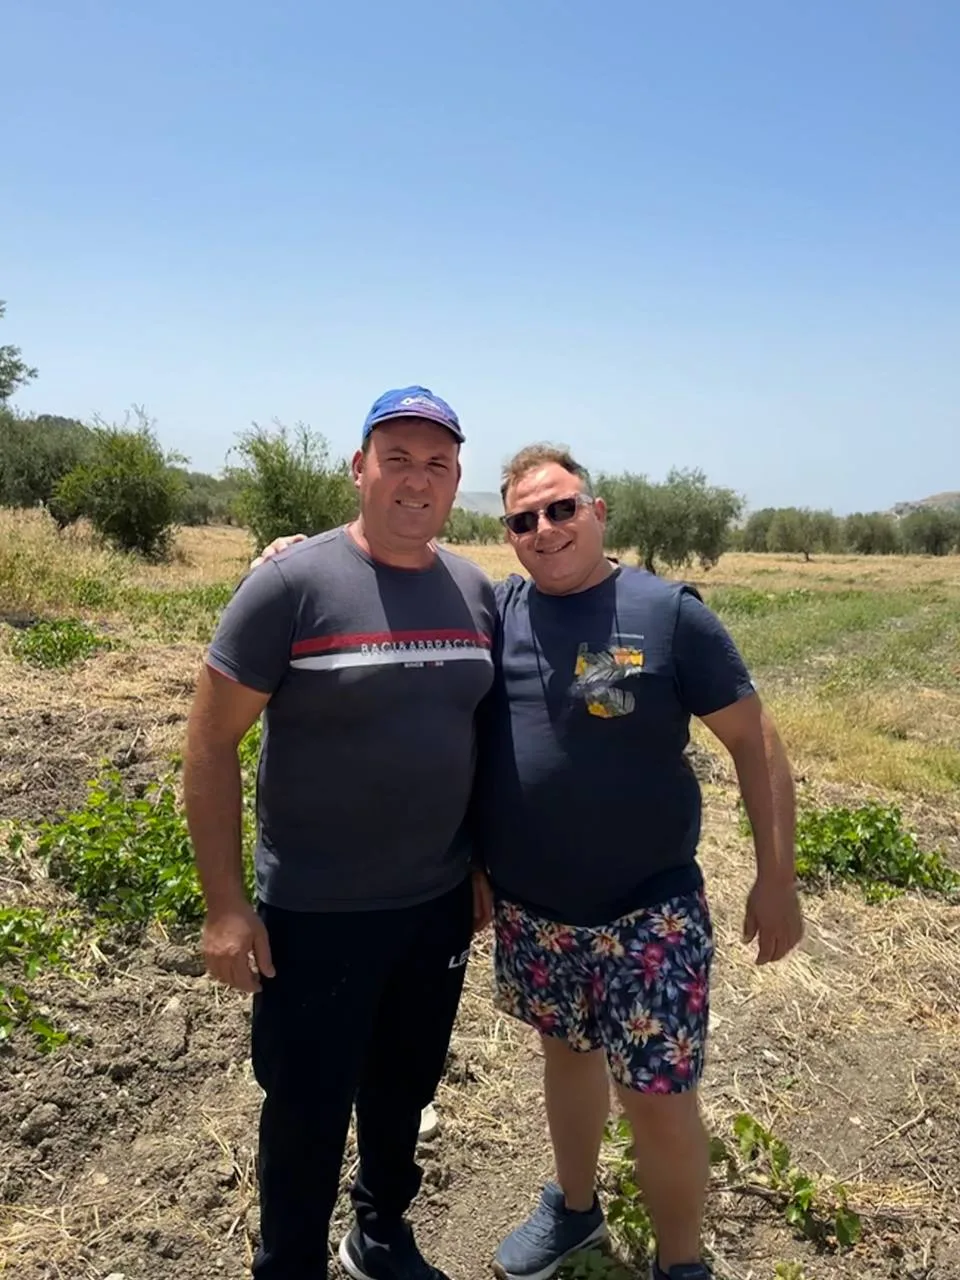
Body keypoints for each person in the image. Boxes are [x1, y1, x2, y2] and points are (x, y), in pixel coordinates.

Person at [256, 444, 804, 1280]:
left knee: (657, 1098)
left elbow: (755, 742)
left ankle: (681, 1264)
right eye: (523, 519)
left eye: (562, 508)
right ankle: (575, 1211)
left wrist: (777, 877)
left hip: (647, 913)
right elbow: (400, 566)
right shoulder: (500, 610)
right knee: (567, 1060)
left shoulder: (667, 614)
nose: (545, 529)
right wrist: (302, 555)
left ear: (598, 512)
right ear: (508, 534)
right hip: (537, 915)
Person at [183, 386, 497, 1280]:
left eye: (436, 463)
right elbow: (209, 743)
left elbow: (480, 736)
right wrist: (225, 906)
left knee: (405, 1088)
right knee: (307, 1109)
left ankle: (380, 1234)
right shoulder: (289, 585)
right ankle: (289, 1264)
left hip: (436, 904)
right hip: (315, 914)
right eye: (396, 459)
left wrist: (479, 861)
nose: (416, 479)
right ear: (359, 469)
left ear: (456, 480)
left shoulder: (474, 591)